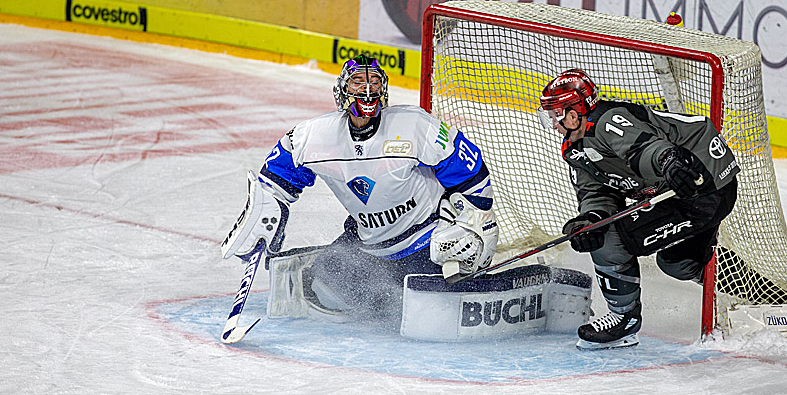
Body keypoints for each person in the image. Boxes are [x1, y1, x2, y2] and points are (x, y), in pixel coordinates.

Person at [221, 53, 498, 324]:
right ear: (342, 91)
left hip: (425, 244)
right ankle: (385, 294)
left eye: (374, 82)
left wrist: (474, 227)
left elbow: (472, 175)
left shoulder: (416, 126)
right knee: (322, 287)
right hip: (368, 248)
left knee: (430, 310)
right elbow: (275, 179)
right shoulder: (315, 136)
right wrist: (267, 211)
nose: (367, 90)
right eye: (357, 83)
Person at [538, 68, 739, 349]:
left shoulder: (608, 121)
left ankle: (624, 319)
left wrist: (669, 160)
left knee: (611, 238)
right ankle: (758, 290)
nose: (553, 123)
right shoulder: (575, 148)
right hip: (687, 188)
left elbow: (644, 148)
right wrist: (591, 219)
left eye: (556, 115)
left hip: (700, 181)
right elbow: (596, 192)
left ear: (574, 114)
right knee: (678, 263)